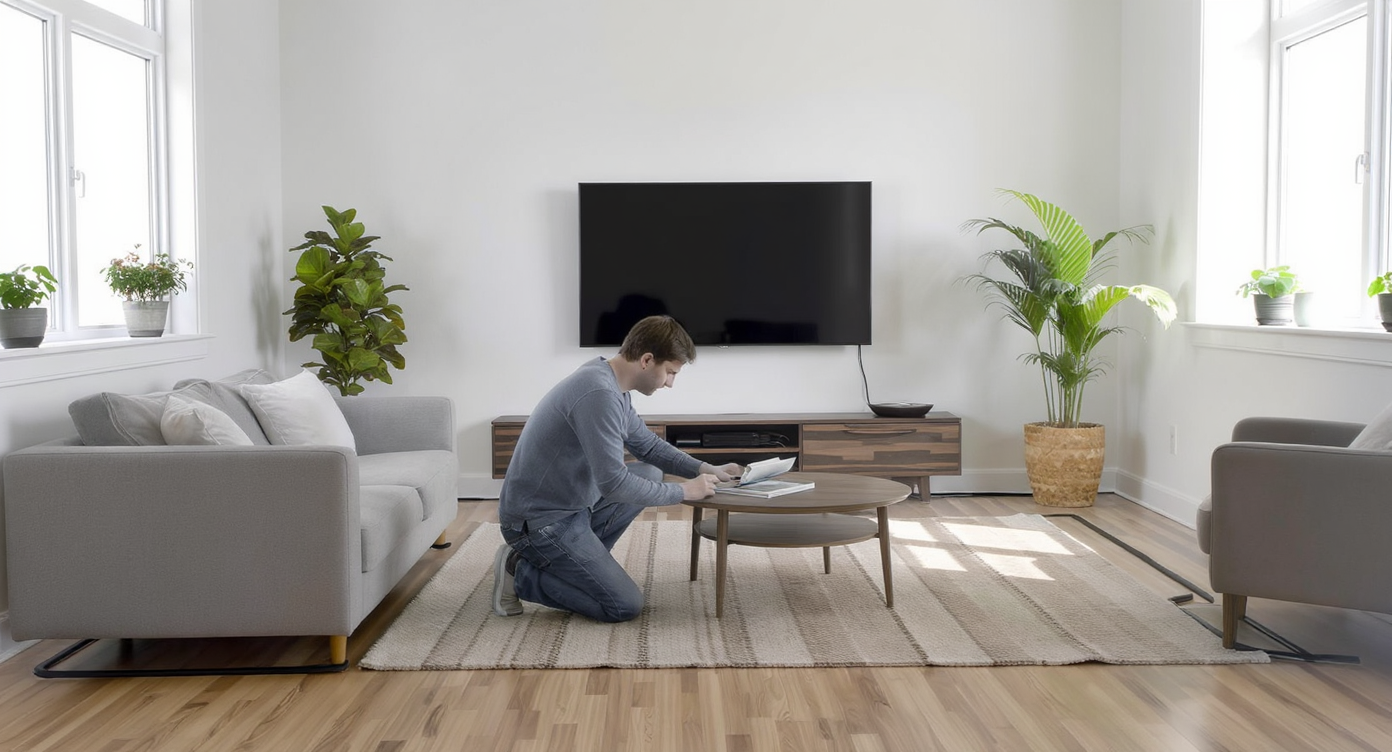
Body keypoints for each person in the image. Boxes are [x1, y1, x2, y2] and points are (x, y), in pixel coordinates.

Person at [492, 315, 742, 622]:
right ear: (647, 360)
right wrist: (684, 491)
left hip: (571, 506)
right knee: (624, 604)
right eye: (670, 372)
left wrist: (705, 467)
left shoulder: (610, 383)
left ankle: (570, 563)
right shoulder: (598, 394)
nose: (670, 383)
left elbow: (647, 447)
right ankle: (519, 571)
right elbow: (614, 484)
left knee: (648, 471)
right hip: (540, 522)